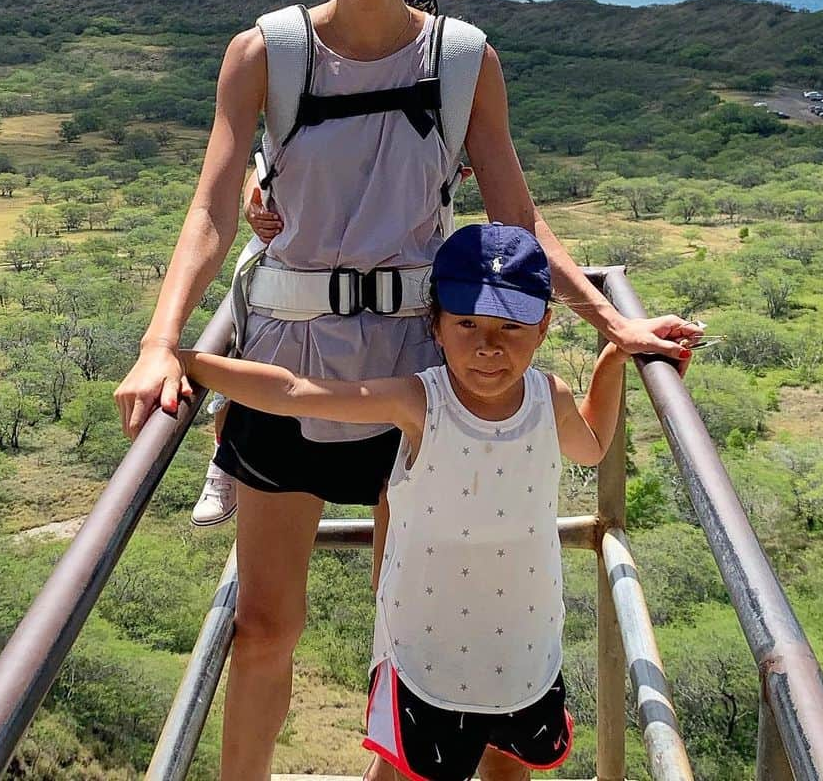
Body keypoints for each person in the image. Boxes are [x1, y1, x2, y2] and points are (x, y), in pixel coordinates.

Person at [115, 0, 699, 781]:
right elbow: (214, 205)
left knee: (413, 628)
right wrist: (160, 338)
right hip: (286, 362)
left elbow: (517, 217)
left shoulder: (465, 59)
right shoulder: (262, 54)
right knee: (264, 628)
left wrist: (610, 323)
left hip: (419, 380)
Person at [177, 223, 667, 780]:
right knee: (409, 772)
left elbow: (594, 444)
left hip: (522, 649)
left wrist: (614, 355)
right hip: (423, 653)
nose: (488, 345)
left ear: (544, 326)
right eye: (467, 323)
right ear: (434, 325)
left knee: (509, 771)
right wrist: (185, 360)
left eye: (511, 326)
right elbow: (294, 391)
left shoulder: (547, 398)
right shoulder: (421, 401)